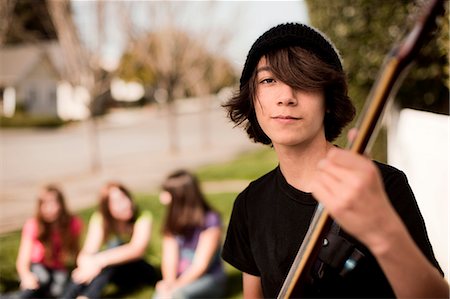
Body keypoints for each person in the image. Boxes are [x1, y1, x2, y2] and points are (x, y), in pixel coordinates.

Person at [221, 22, 449, 298]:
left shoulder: (383, 186)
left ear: (328, 99)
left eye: (303, 80)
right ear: (252, 97)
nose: (286, 97)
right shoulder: (249, 204)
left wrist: (384, 232)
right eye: (269, 80)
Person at [61, 182, 157, 299]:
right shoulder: (101, 219)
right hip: (111, 271)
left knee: (115, 247)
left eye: (124, 198)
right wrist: (88, 266)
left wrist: (99, 261)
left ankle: (86, 297)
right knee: (92, 264)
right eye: (117, 202)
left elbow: (136, 250)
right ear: (107, 208)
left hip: (141, 270)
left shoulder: (142, 217)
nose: (125, 205)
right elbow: (87, 251)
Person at [153, 169, 227, 299]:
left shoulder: (210, 220)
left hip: (208, 279)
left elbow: (201, 265)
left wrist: (176, 286)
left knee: (178, 295)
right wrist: (169, 283)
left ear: (180, 196)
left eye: (166, 193)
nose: (162, 198)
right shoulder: (172, 221)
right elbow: (169, 259)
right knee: (161, 295)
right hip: (179, 279)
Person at [14, 184, 82, 298]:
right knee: (42, 279)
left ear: (61, 203)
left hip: (58, 267)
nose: (49, 208)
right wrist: (26, 275)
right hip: (37, 265)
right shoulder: (34, 225)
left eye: (53, 202)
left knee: (57, 290)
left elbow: (76, 250)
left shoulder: (72, 223)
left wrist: (81, 267)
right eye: (44, 204)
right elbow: (22, 260)